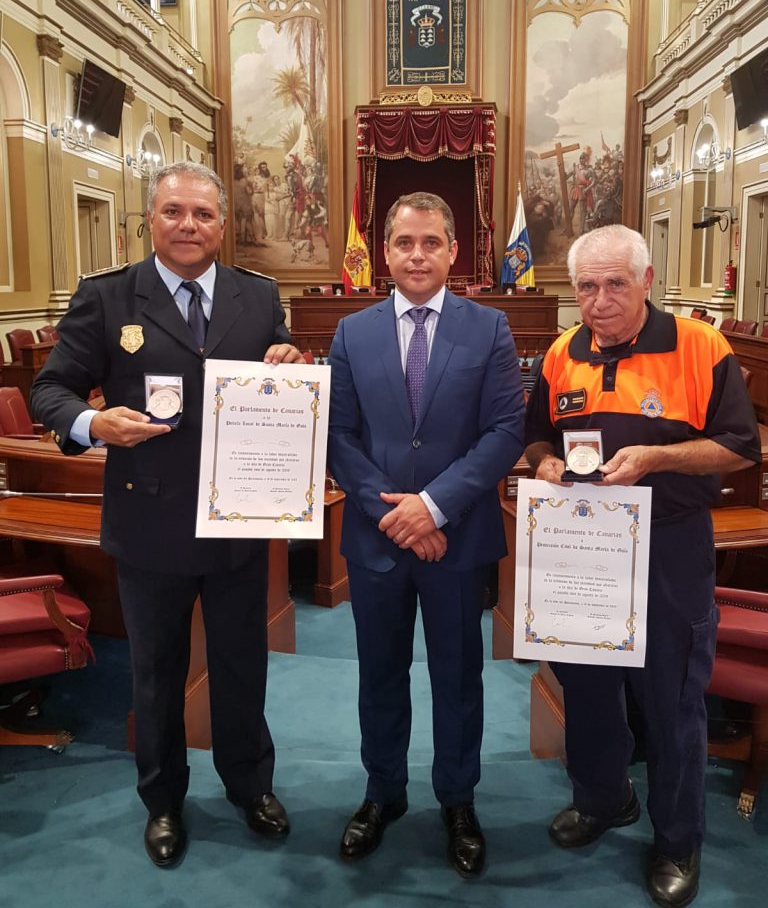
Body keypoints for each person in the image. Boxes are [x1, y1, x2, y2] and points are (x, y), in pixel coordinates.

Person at [31, 161, 303, 868]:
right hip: (149, 524)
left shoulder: (258, 295)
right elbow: (50, 390)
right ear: (150, 218)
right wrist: (93, 425)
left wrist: (286, 359)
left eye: (203, 214)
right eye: (174, 211)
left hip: (239, 519)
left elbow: (271, 382)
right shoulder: (108, 297)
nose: (189, 225)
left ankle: (251, 786)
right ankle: (164, 801)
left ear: (221, 224)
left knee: (243, 666)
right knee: (155, 675)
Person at [524, 224, 760, 908]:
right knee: (588, 682)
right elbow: (537, 430)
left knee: (673, 695)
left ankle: (677, 838)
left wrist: (659, 458)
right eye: (586, 287)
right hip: (585, 542)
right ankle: (603, 800)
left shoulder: (699, 346)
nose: (599, 301)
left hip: (670, 544)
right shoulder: (562, 353)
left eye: (615, 284)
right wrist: (541, 459)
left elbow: (741, 447)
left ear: (647, 280)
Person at [328, 192, 525, 877]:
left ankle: (458, 800)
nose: (417, 255)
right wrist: (398, 516)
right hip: (378, 542)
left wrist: (434, 508)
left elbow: (506, 431)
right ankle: (382, 793)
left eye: (431, 243)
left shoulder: (490, 329)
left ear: (452, 251)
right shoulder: (351, 333)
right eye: (404, 242)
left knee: (458, 677)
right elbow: (339, 436)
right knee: (379, 677)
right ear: (384, 251)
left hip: (458, 541)